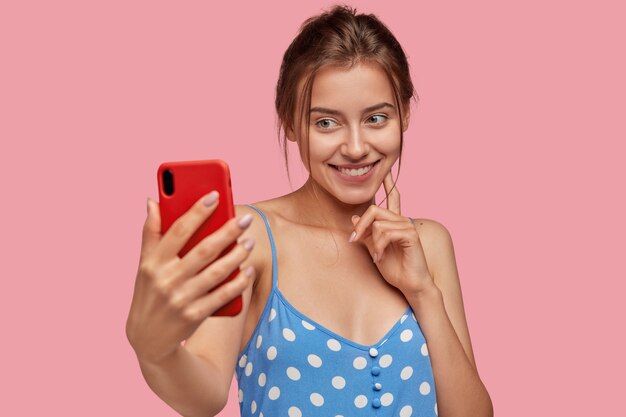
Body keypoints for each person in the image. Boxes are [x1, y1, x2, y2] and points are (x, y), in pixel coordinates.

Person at [126, 5, 493, 417]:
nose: (355, 147)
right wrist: (155, 352)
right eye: (326, 123)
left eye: (376, 118)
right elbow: (205, 394)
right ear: (290, 123)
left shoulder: (427, 242)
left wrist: (423, 293)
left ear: (405, 113)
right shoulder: (252, 236)